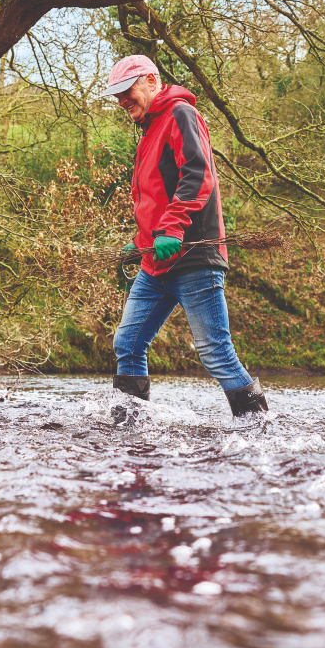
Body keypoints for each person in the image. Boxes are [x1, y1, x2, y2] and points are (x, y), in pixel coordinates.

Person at [103, 54, 268, 423]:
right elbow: (157, 195)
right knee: (127, 345)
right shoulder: (149, 128)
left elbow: (198, 175)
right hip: (157, 262)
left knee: (215, 353)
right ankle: (128, 430)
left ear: (150, 81)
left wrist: (172, 228)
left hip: (193, 257)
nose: (121, 100)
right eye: (116, 96)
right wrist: (142, 240)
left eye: (126, 91)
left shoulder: (181, 114)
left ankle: (262, 430)